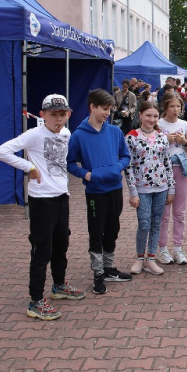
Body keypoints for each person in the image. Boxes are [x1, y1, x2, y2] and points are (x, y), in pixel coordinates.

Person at [0, 94, 85, 320]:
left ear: (69, 114)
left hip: (61, 196)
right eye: (53, 115)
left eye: (62, 114)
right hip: (42, 200)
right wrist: (29, 167)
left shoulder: (66, 132)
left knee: (61, 243)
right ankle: (35, 300)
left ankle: (59, 285)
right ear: (43, 115)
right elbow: (0, 152)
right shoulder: (33, 135)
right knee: (41, 249)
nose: (58, 119)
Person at [67, 89, 133, 295]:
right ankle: (97, 273)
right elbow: (69, 163)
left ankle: (108, 268)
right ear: (92, 107)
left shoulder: (114, 132)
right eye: (104, 109)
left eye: (110, 109)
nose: (108, 113)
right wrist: (86, 174)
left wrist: (117, 167)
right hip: (95, 191)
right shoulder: (78, 135)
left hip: (115, 188)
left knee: (113, 228)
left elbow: (125, 156)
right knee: (96, 231)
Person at [123, 101, 175, 276]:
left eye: (155, 116)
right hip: (142, 189)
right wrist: (133, 192)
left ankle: (151, 259)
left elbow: (167, 162)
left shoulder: (162, 136)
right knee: (144, 224)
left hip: (161, 187)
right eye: (148, 115)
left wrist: (171, 188)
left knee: (156, 223)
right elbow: (128, 166)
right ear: (140, 115)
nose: (151, 119)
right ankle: (139, 257)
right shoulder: (131, 137)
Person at [156, 93, 187, 266]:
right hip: (162, 171)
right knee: (164, 213)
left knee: (179, 213)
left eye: (178, 106)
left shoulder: (185, 125)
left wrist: (184, 142)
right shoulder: (157, 124)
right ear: (165, 107)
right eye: (172, 106)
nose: (176, 110)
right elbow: (151, 149)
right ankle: (162, 248)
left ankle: (178, 248)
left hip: (180, 170)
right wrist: (165, 140)